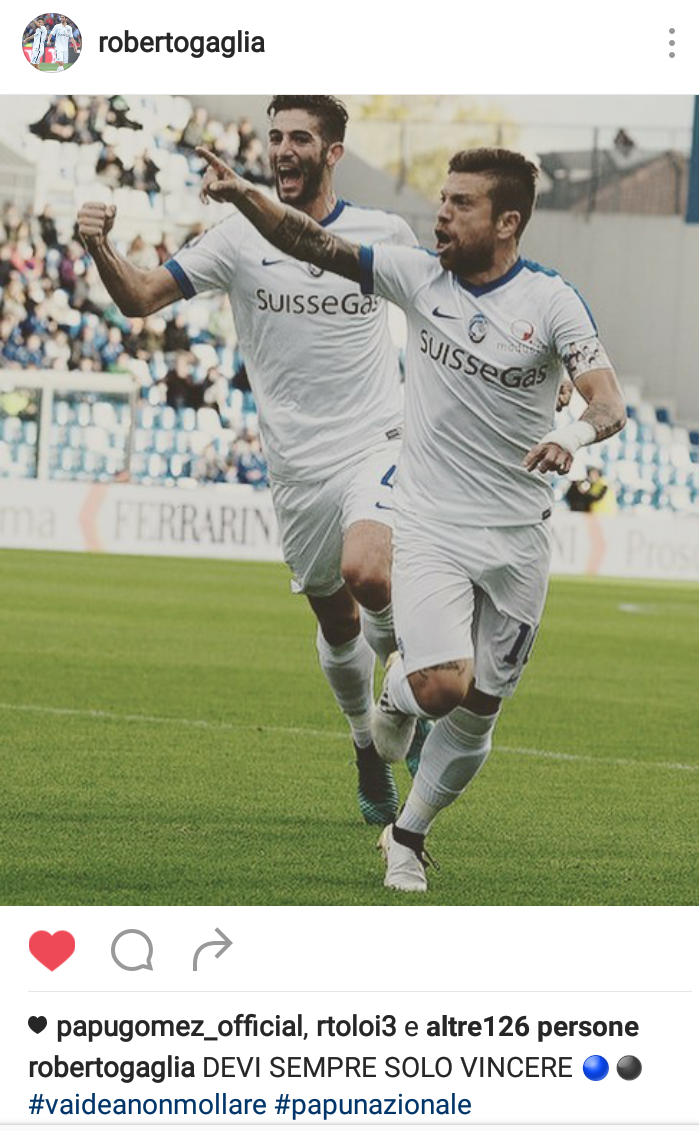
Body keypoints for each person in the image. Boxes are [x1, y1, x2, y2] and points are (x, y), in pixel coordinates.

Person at [192, 145, 627, 892]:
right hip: (428, 524)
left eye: (461, 203)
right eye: (441, 199)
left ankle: (407, 835)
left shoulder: (552, 301)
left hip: (518, 538)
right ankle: (400, 695)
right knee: (442, 689)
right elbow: (312, 242)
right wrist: (243, 196)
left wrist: (572, 434)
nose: (441, 214)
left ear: (508, 221)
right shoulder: (416, 275)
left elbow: (607, 403)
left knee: (480, 711)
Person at [76, 95, 430, 829]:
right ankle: (366, 743)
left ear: (333, 152)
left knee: (370, 572)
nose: (282, 149)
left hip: (378, 440)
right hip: (296, 467)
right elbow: (140, 298)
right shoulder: (236, 238)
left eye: (299, 137)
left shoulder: (382, 233)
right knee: (337, 624)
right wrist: (99, 248)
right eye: (274, 137)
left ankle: (409, 699)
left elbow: (444, 308)